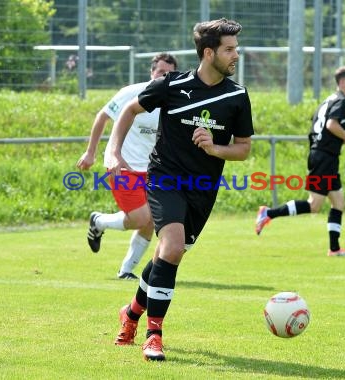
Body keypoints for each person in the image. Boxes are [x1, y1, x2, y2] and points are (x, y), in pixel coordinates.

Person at [105, 18, 253, 361]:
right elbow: (129, 110)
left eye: (236, 49)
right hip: (164, 179)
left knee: (166, 256)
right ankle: (153, 336)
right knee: (170, 248)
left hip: (202, 189)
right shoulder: (173, 85)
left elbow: (243, 148)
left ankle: (130, 314)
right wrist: (113, 151)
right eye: (229, 50)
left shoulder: (237, 96)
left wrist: (215, 149)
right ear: (208, 52)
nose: (236, 56)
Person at [78, 53, 178, 280]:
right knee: (141, 219)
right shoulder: (132, 93)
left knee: (152, 221)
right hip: (122, 166)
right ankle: (99, 221)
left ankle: (126, 271)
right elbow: (102, 116)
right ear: (152, 72)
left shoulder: (172, 100)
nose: (164, 77)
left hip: (152, 170)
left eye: (169, 74)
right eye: (161, 72)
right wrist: (91, 152)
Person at [255, 66, 345, 256]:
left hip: (323, 156)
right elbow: (331, 125)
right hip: (324, 158)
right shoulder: (342, 101)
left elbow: (316, 125)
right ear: (343, 82)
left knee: (338, 201)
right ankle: (268, 213)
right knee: (314, 205)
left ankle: (335, 249)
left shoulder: (328, 100)